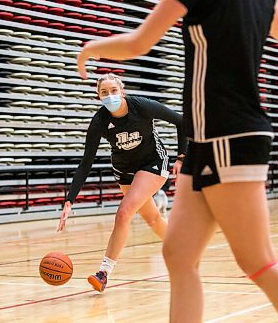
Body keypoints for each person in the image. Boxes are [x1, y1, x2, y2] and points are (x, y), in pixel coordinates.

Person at [76, 0, 278, 322]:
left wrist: (91, 49)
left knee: (258, 261)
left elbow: (138, 44)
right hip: (208, 136)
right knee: (178, 253)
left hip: (227, 132)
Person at [57, 73, 186, 292]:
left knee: (124, 212)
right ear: (98, 97)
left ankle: (103, 272)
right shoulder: (99, 121)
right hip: (124, 170)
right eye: (104, 93)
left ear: (122, 91)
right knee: (153, 218)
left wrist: (182, 157)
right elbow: (86, 162)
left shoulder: (141, 106)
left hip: (153, 163)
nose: (110, 96)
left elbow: (181, 122)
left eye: (113, 91)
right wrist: (69, 200)